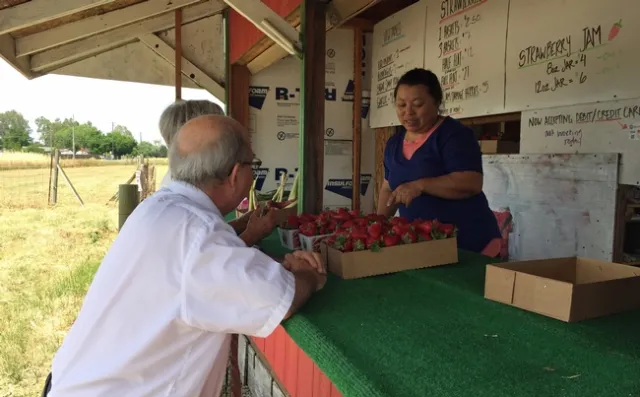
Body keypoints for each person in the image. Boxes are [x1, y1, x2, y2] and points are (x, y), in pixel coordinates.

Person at [44, 115, 327, 397]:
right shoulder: (199, 235)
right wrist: (310, 275)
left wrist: (274, 261)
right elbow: (279, 298)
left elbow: (198, 266)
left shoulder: (159, 207)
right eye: (253, 165)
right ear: (235, 175)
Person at [377, 68, 501, 256]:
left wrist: (420, 185)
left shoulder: (455, 135)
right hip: (425, 247)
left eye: (417, 104)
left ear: (436, 102)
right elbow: (389, 189)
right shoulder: (394, 144)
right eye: (401, 105)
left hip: (469, 245)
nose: (408, 112)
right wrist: (378, 224)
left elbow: (471, 183)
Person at [157, 99, 265, 245]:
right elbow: (209, 246)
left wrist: (241, 223)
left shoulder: (175, 188)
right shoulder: (193, 216)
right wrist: (252, 234)